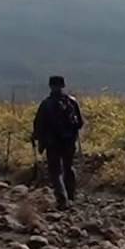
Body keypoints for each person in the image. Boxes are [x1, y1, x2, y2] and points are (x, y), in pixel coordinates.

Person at [31, 75, 85, 209]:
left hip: (52, 143)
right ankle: (71, 196)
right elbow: (80, 123)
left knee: (55, 171)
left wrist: (36, 138)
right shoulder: (72, 102)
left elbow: (38, 124)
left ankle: (62, 200)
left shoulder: (46, 104)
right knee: (68, 167)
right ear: (63, 86)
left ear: (50, 86)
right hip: (69, 141)